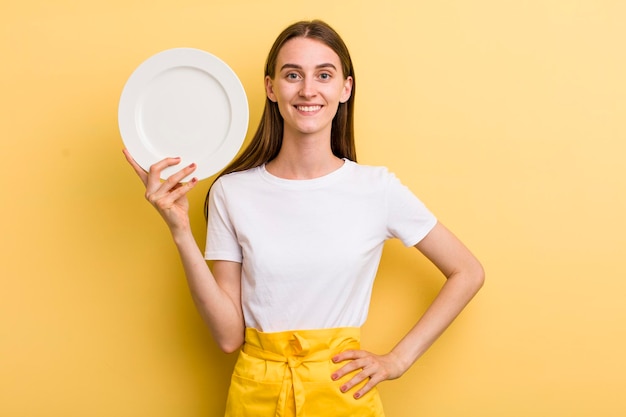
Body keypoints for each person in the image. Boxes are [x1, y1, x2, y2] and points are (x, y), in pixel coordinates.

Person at [123, 19, 484, 417]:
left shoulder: (376, 189)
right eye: (292, 75)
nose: (308, 90)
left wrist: (397, 360)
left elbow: (467, 271)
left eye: (323, 75)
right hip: (255, 396)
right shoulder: (232, 192)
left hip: (342, 396)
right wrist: (179, 231)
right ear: (271, 88)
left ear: (345, 88)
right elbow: (228, 337)